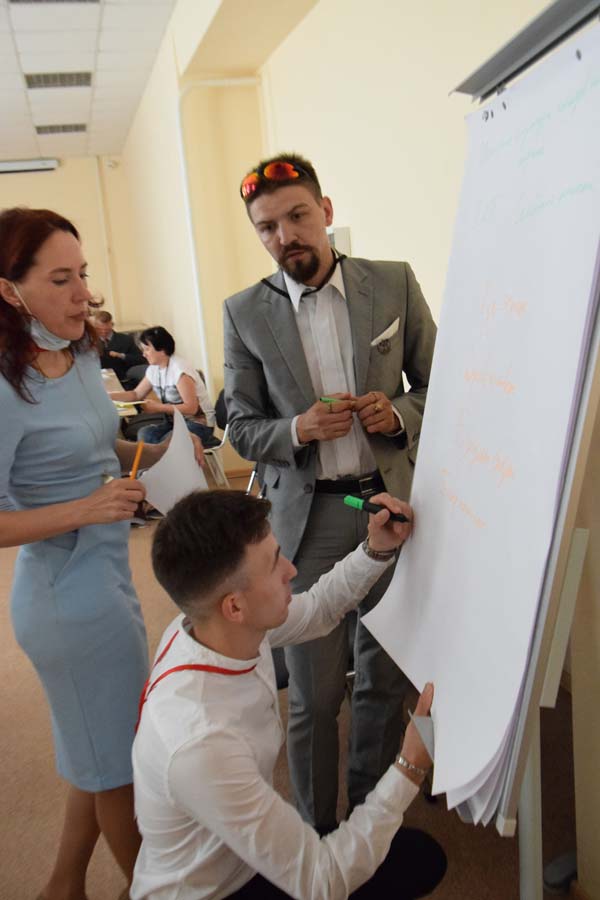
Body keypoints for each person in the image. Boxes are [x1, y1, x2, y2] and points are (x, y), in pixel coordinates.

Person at [223, 154, 437, 832]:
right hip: (307, 521)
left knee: (383, 681)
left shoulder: (393, 282)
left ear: (326, 212)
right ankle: (314, 837)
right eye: (267, 227)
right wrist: (297, 429)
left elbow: (442, 385)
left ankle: (369, 824)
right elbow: (238, 425)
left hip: (390, 510)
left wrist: (398, 414)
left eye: (297, 216)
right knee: (313, 697)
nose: (285, 236)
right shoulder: (244, 313)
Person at [0, 207, 204, 900]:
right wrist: (86, 507)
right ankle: (154, 891)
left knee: (98, 751)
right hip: (64, 598)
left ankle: (63, 885)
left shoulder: (82, 354)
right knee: (118, 768)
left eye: (82, 273)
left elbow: (99, 448)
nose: (83, 293)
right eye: (60, 280)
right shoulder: (5, 384)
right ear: (9, 291)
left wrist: (164, 456)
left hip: (111, 577)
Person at [132, 489, 446, 899]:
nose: (292, 569)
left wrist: (376, 549)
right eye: (274, 564)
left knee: (418, 857)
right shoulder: (200, 740)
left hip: (240, 858)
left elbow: (318, 608)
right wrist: (410, 766)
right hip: (214, 891)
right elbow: (323, 881)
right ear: (234, 607)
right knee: (412, 862)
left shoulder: (213, 628)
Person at [110, 325, 217, 446]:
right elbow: (136, 394)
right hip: (174, 423)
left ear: (161, 350)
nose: (144, 354)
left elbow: (191, 408)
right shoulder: (154, 369)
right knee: (145, 434)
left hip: (198, 424)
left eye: (147, 349)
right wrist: (106, 396)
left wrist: (158, 408)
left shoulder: (180, 370)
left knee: (165, 443)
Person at [91, 309, 146, 388]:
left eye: (106, 329)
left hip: (124, 380)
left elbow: (140, 359)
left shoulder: (125, 339)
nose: (103, 332)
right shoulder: (91, 342)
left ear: (112, 325)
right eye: (99, 329)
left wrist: (121, 356)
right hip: (99, 382)